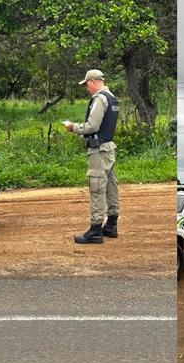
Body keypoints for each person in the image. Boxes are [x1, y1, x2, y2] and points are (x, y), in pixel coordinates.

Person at [64, 69, 120, 244]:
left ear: (94, 81)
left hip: (99, 150)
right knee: (111, 186)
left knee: (97, 187)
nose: (87, 88)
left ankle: (95, 230)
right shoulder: (112, 98)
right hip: (109, 147)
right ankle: (111, 225)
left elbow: (92, 126)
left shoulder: (100, 99)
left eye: (87, 84)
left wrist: (73, 127)